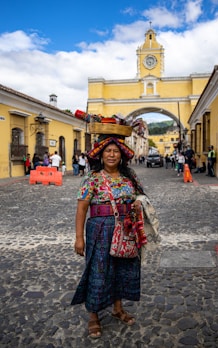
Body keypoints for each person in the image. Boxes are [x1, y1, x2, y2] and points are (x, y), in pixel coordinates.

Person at [71, 133, 156, 339]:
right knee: (98, 271)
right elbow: (81, 209)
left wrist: (138, 202)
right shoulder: (92, 178)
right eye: (107, 151)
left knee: (122, 269)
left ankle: (118, 309)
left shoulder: (129, 177)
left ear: (121, 156)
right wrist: (79, 237)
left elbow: (142, 196)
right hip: (99, 229)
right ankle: (93, 315)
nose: (111, 154)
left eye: (115, 151)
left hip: (127, 229)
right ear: (101, 155)